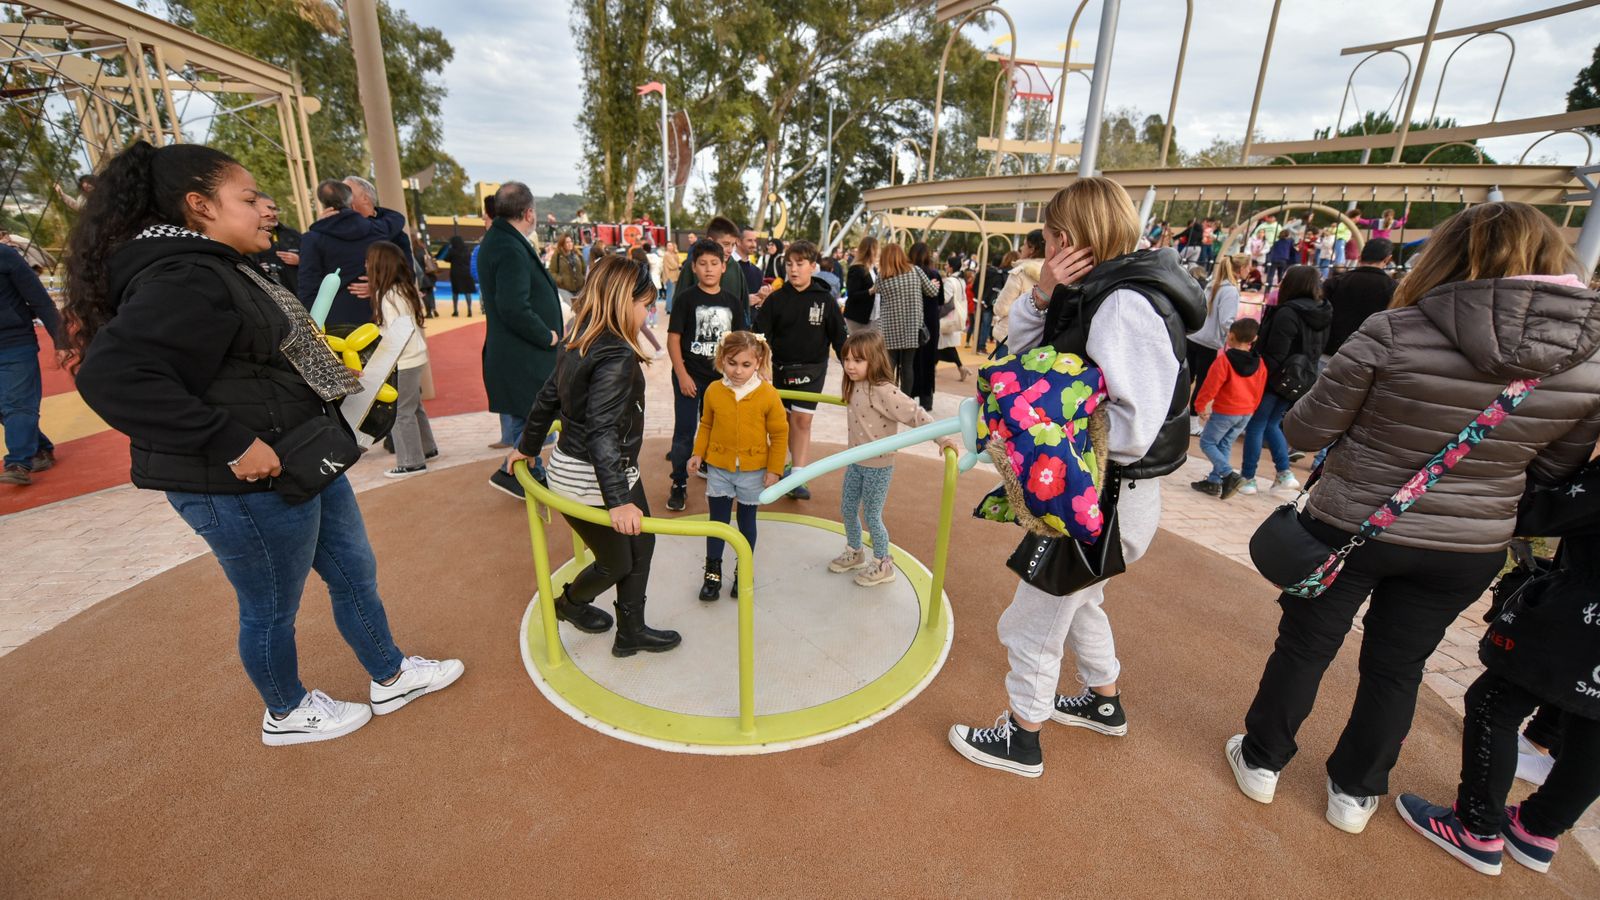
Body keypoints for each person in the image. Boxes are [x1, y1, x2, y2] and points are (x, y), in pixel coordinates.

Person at [1224, 201, 1600, 835]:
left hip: (1353, 523)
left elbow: (1305, 429)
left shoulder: (1395, 330)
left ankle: (1262, 760)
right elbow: (1555, 468)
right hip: (1469, 543)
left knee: (1306, 646)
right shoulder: (1585, 362)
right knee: (1398, 667)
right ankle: (1355, 792)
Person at [68, 141, 462, 746]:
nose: (266, 209)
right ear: (200, 206)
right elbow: (112, 377)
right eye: (249, 198)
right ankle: (286, 709)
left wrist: (325, 376)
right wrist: (231, 441)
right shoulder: (184, 275)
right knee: (271, 606)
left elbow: (251, 361)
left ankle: (391, 673)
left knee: (354, 572)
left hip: (301, 458)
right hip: (241, 482)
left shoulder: (226, 266)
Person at [949, 176, 1205, 777]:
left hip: (1101, 493)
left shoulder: (1124, 304)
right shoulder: (1104, 292)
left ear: (1067, 236)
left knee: (1034, 618)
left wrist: (1040, 427)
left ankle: (1022, 736)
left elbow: (1132, 427)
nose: (1045, 246)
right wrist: (1042, 295)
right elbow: (1030, 358)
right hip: (1104, 491)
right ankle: (1102, 699)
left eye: (1048, 236)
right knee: (1081, 601)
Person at [509, 255, 680, 657]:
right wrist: (617, 501)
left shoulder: (580, 337)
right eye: (645, 305)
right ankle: (570, 604)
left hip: (591, 469)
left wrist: (527, 446)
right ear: (623, 301)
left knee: (641, 545)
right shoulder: (616, 355)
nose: (648, 313)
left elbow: (548, 396)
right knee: (617, 561)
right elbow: (602, 430)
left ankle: (630, 631)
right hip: (595, 478)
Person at [828, 330, 960, 587]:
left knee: (872, 515)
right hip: (855, 461)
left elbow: (915, 414)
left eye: (858, 360)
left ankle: (882, 563)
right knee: (848, 508)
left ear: (875, 360)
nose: (850, 366)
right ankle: (855, 551)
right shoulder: (853, 384)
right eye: (847, 359)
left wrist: (942, 439)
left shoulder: (884, 391)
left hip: (878, 465)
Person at [687, 331, 787, 600]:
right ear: (722, 359)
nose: (738, 371)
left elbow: (779, 433)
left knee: (746, 522)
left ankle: (744, 569)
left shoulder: (768, 394)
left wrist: (775, 469)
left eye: (746, 364)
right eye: (732, 363)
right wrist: (698, 453)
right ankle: (712, 575)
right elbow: (706, 424)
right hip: (719, 469)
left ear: (758, 362)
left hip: (754, 472)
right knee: (717, 522)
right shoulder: (713, 390)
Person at [480, 182, 563, 501]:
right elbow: (513, 305)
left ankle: (525, 472)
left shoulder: (501, 240)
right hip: (524, 353)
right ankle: (516, 472)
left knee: (525, 415)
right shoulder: (508, 246)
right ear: (529, 213)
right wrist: (547, 335)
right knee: (532, 414)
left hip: (516, 353)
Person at [754, 239, 846, 501]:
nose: (793, 269)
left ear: (813, 266)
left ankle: (797, 476)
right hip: (781, 370)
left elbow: (841, 341)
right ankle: (782, 467)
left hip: (813, 370)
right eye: (789, 264)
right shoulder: (776, 300)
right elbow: (759, 337)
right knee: (782, 423)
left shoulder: (825, 300)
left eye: (800, 263)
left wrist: (853, 372)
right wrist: (760, 367)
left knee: (802, 421)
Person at [666, 238, 749, 511]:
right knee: (684, 431)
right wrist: (682, 375)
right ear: (694, 267)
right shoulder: (685, 299)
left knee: (718, 429)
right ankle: (678, 482)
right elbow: (673, 339)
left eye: (714, 263)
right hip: (690, 377)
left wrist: (737, 374)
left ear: (724, 266)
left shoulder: (732, 302)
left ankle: (717, 477)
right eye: (703, 263)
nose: (709, 268)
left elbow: (741, 342)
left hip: (721, 380)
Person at [1236, 266, 1330, 496]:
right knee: (1271, 423)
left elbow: (1276, 352)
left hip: (1276, 376)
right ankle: (1283, 473)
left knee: (1257, 424)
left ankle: (1248, 477)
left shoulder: (1287, 312)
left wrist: (1259, 376)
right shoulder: (1323, 311)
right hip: (1301, 377)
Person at [295, 179, 407, 329]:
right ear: (351, 201)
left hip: (334, 320)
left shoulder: (313, 238)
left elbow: (308, 285)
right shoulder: (377, 230)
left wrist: (311, 326)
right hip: (376, 315)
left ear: (323, 204)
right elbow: (397, 218)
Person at [366, 242, 436, 478]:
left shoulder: (387, 296)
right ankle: (427, 448)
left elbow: (395, 334)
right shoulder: (403, 290)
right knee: (414, 406)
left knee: (400, 413)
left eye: (368, 261)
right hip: (415, 358)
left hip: (403, 361)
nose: (365, 265)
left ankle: (411, 461)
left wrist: (381, 360)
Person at [0, 242, 65, 485]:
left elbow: (39, 300)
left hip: (14, 342)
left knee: (17, 403)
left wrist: (61, 341)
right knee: (6, 407)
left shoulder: (5, 255)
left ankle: (17, 463)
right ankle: (40, 448)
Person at [1190, 318, 1267, 499]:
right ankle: (1214, 481)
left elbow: (1210, 386)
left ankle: (1229, 474)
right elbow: (1259, 389)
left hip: (1226, 410)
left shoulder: (1224, 361)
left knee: (1207, 443)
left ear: (1230, 336)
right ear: (1254, 339)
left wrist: (1199, 406)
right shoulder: (1259, 363)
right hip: (1246, 411)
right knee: (1224, 444)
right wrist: (1252, 409)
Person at [1186, 254, 1245, 432]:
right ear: (1241, 269)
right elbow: (1227, 321)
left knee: (1186, 379)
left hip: (1194, 336)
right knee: (1202, 384)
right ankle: (1192, 422)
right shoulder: (1230, 290)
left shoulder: (1213, 284)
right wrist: (1238, 337)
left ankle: (1173, 415)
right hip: (1208, 342)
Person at [870, 242, 938, 397]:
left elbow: (877, 291)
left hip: (889, 327)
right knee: (907, 366)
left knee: (889, 365)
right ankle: (905, 399)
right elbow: (932, 292)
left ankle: (887, 397)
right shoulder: (915, 271)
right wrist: (934, 284)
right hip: (911, 327)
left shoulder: (882, 277)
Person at [992, 232, 1045, 357]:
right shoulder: (1054, 273)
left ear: (1032, 249)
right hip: (1038, 338)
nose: (1021, 248)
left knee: (1005, 369)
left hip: (1010, 336)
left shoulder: (1020, 273)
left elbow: (1001, 308)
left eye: (1024, 244)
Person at [250, 193, 301, 295]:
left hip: (297, 295)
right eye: (269, 208)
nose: (273, 214)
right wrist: (256, 269)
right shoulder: (246, 237)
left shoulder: (292, 234)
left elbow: (317, 263)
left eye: (275, 209)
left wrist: (300, 261)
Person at [843, 236, 878, 335]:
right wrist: (870, 291)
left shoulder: (873, 268)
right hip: (858, 317)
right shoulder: (856, 268)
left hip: (872, 316)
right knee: (858, 343)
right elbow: (852, 294)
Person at [550, 232, 586, 311]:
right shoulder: (557, 256)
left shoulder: (578, 254)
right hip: (565, 289)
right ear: (562, 244)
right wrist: (561, 280)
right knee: (571, 310)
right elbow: (552, 272)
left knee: (580, 310)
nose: (570, 244)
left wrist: (583, 278)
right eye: (567, 242)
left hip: (579, 289)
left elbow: (584, 269)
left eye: (571, 241)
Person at [444, 235, 477, 317]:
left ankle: (455, 311)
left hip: (455, 273)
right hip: (466, 272)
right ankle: (469, 310)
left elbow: (446, 259)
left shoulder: (452, 250)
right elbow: (469, 259)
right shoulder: (467, 250)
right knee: (467, 291)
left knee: (455, 292)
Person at [660, 240, 681, 313]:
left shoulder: (673, 254)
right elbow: (674, 265)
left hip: (674, 276)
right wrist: (678, 264)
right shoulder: (667, 255)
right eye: (668, 245)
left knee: (672, 293)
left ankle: (669, 308)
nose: (670, 247)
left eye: (671, 245)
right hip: (670, 277)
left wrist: (676, 253)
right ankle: (669, 309)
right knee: (670, 293)